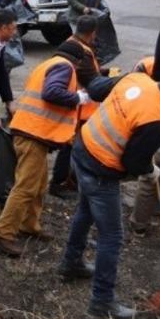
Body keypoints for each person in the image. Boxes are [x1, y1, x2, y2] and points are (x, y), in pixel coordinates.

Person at [60, 72, 160, 319]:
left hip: (83, 148)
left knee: (85, 212)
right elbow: (133, 162)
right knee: (112, 237)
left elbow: (98, 91)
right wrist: (149, 170)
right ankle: (102, 301)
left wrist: (144, 153)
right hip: (100, 170)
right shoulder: (156, 122)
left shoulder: (138, 79)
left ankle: (70, 264)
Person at [0, 48, 87, 257]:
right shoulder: (65, 67)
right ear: (78, 63)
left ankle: (28, 224)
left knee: (39, 184)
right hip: (32, 133)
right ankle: (3, 233)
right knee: (26, 186)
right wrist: (77, 97)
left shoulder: (48, 64)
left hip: (31, 131)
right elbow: (51, 92)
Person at [49, 14, 102, 197]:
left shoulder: (73, 44)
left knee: (72, 146)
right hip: (80, 108)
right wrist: (106, 81)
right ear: (93, 33)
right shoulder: (81, 51)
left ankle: (68, 179)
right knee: (70, 146)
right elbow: (91, 80)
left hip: (78, 106)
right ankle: (60, 182)